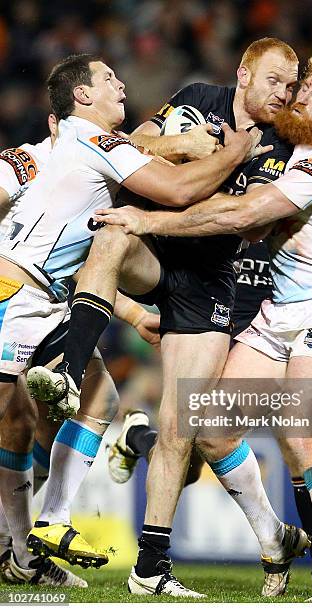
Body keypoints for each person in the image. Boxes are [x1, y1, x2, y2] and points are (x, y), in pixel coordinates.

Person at [27, 40, 312, 598]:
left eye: (291, 85)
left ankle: (150, 567)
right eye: (276, 80)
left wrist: (204, 168)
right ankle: (69, 363)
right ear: (244, 74)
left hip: (211, 282)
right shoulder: (198, 98)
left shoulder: (284, 143)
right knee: (112, 233)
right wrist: (185, 143)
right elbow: (133, 144)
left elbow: (243, 220)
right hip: (156, 256)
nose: (284, 93)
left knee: (184, 427)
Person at [94, 49, 312, 603]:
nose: (299, 97)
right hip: (278, 314)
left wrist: (147, 219)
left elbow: (242, 215)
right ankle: (275, 536)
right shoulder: (291, 147)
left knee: (303, 433)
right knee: (212, 426)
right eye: (300, 88)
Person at [0, 118, 161, 585]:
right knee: (15, 419)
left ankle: (31, 540)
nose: (120, 86)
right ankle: (23, 552)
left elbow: (84, 266)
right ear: (59, 121)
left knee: (92, 401)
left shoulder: (102, 170)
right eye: (107, 80)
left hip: (49, 303)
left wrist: (131, 315)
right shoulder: (32, 159)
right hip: (14, 296)